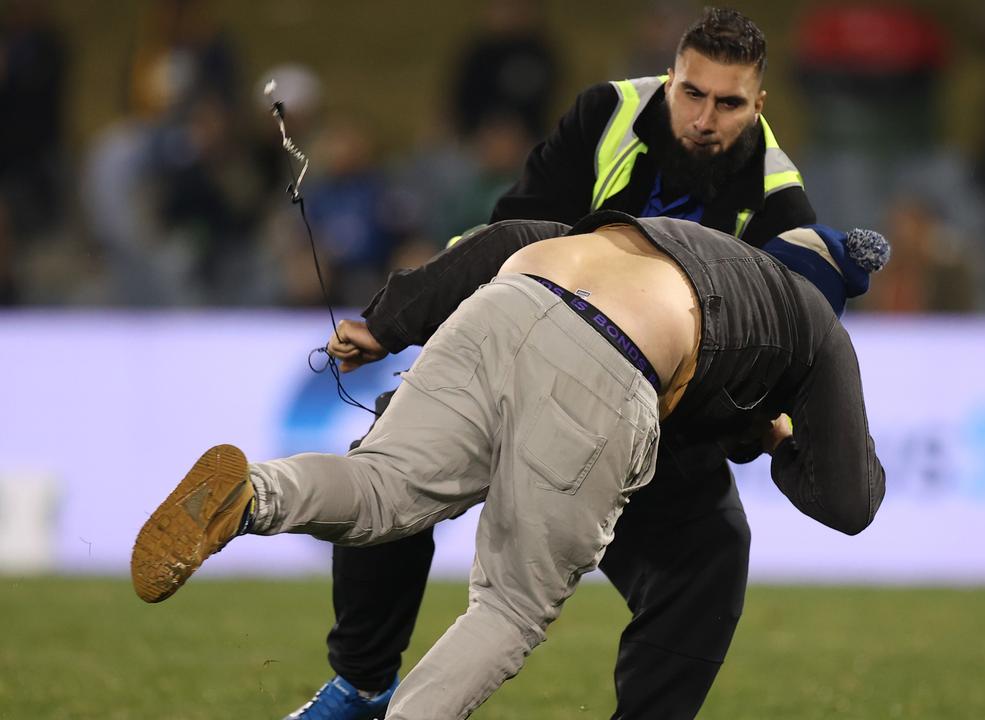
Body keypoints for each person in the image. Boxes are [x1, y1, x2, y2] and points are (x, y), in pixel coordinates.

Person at [283, 9, 830, 719]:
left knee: (712, 555)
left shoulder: (780, 207)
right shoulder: (606, 113)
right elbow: (510, 235)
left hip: (650, 415)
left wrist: (753, 428)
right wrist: (414, 322)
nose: (704, 117)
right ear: (671, 80)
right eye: (692, 93)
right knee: (388, 455)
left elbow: (763, 359)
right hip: (516, 351)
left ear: (758, 106)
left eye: (728, 103)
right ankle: (360, 684)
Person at [132, 211, 887, 720]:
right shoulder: (813, 320)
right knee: (510, 609)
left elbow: (508, 238)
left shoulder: (682, 239)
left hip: (509, 299)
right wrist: (784, 439)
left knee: (379, 488)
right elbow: (850, 501)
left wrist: (390, 323)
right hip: (609, 359)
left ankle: (251, 494)